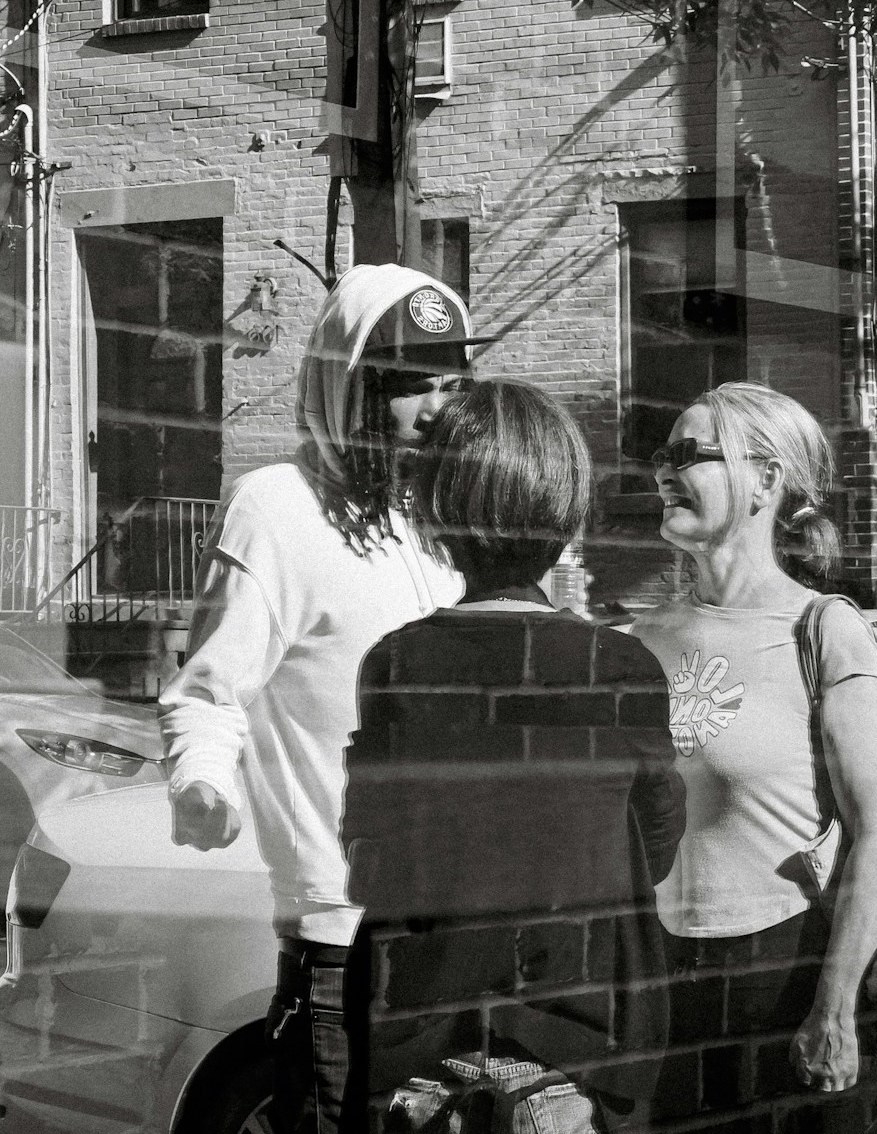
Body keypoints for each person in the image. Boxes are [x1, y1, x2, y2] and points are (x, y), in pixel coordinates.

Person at [159, 263, 496, 1134]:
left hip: (464, 933)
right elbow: (208, 691)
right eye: (409, 385)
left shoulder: (445, 515)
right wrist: (205, 783)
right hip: (345, 939)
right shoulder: (278, 508)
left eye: (450, 382)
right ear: (347, 389)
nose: (436, 408)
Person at [340, 380, 687, 1133]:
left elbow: (369, 857)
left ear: (437, 509)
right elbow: (653, 848)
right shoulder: (621, 669)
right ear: (563, 511)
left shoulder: (397, 666)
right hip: (577, 1042)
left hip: (424, 1039)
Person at [629, 381, 877, 1128]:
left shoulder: (822, 630)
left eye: (690, 452)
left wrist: (835, 1006)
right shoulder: (637, 640)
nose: (664, 469)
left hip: (781, 979)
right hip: (659, 984)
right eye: (662, 452)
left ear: (765, 479)